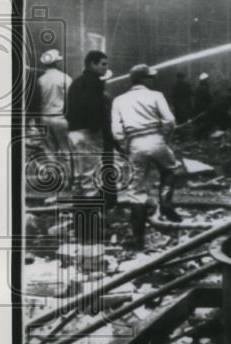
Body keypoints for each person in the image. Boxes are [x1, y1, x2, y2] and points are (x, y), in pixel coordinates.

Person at [111, 64, 182, 246]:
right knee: (169, 170)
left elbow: (117, 131)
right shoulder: (156, 95)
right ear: (143, 79)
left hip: (135, 143)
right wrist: (165, 137)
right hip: (156, 139)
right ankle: (166, 205)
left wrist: (125, 146)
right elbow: (170, 120)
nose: (152, 79)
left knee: (136, 190)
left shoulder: (119, 100)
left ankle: (138, 237)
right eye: (150, 77)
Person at [66, 50, 111, 195]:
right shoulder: (95, 81)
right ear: (92, 63)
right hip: (88, 133)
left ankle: (79, 212)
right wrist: (97, 128)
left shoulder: (75, 82)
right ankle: (92, 214)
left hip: (73, 132)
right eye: (103, 64)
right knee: (91, 174)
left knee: (80, 175)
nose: (106, 68)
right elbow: (93, 106)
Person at [36, 48, 73, 188]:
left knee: (49, 151)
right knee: (66, 150)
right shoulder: (65, 78)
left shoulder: (40, 80)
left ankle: (55, 181)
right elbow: (71, 99)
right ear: (57, 62)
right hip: (60, 117)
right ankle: (70, 180)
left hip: (44, 118)